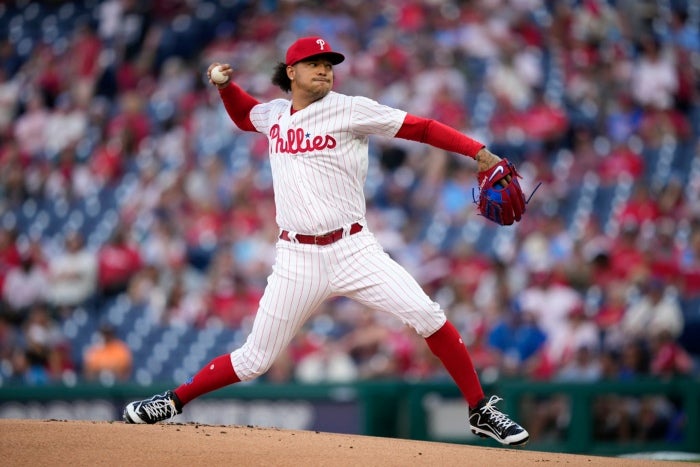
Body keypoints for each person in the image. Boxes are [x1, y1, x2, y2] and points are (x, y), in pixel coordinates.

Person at [123, 36, 529, 446]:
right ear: (291, 71)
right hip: (296, 257)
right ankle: (172, 401)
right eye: (314, 62)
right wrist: (226, 88)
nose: (324, 69)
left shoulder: (351, 109)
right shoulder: (276, 115)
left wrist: (477, 151)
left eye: (329, 63)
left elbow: (420, 128)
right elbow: (246, 116)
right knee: (253, 360)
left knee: (428, 315)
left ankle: (480, 411)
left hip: (353, 248)